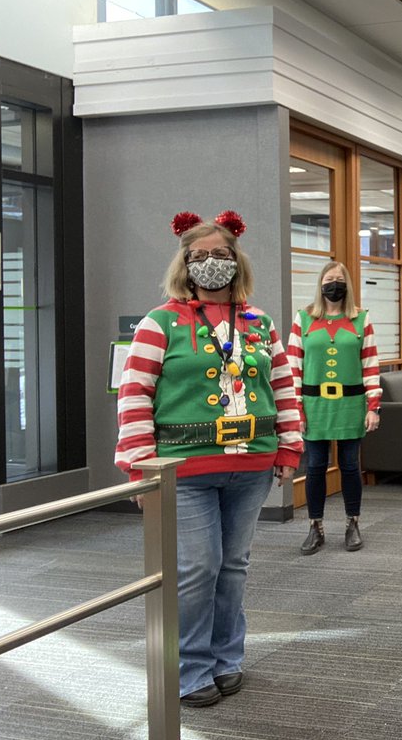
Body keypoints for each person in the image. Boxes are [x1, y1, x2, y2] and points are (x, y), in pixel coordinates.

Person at [115, 211, 302, 707]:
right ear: (184, 264)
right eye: (199, 257)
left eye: (221, 255)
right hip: (184, 469)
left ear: (236, 262)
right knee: (199, 568)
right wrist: (140, 467)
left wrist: (289, 445)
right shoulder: (160, 322)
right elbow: (134, 395)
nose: (211, 264)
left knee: (234, 566)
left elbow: (282, 386)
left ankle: (227, 658)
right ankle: (191, 667)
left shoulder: (259, 323)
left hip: (253, 465)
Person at [287, 261, 381, 555]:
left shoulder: (361, 319)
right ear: (320, 283)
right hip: (314, 405)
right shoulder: (303, 319)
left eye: (340, 279)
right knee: (315, 466)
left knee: (351, 465)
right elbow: (293, 368)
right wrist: (295, 409)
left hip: (351, 404)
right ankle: (316, 526)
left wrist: (373, 406)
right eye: (329, 279)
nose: (334, 284)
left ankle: (353, 523)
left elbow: (370, 366)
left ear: (347, 285)